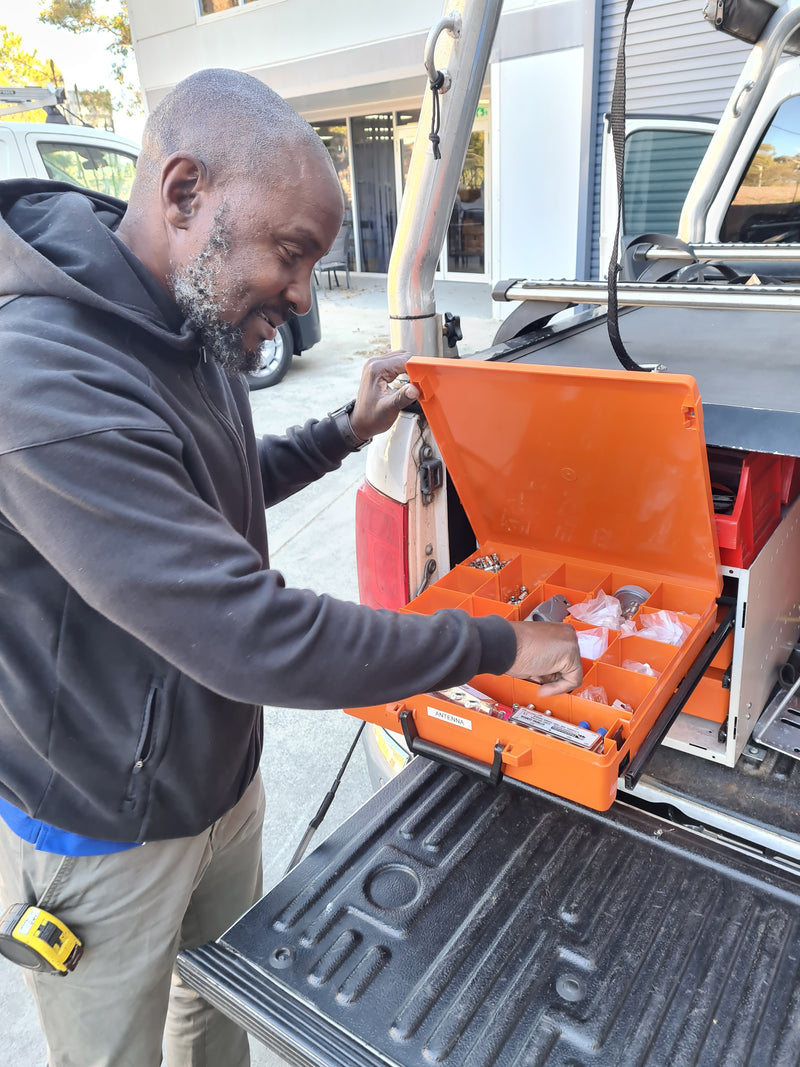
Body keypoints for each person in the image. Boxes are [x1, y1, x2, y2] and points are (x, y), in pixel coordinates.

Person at [0, 69, 582, 1066]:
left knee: (214, 1016)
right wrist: (498, 644)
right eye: (292, 252)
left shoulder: (185, 314)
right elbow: (250, 632)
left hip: (222, 785)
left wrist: (341, 432)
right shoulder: (45, 375)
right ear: (185, 193)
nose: (305, 295)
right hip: (103, 830)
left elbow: (211, 488)